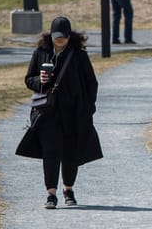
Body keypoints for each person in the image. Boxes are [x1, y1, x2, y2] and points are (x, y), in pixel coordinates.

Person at [16, 16, 103, 209]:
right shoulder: (41, 53)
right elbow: (28, 79)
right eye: (57, 36)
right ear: (51, 35)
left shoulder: (79, 55)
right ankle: (51, 194)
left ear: (69, 36)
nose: (60, 40)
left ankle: (68, 189)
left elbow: (91, 83)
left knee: (71, 153)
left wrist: (89, 108)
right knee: (51, 152)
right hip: (48, 113)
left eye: (63, 36)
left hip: (74, 113)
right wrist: (41, 81)